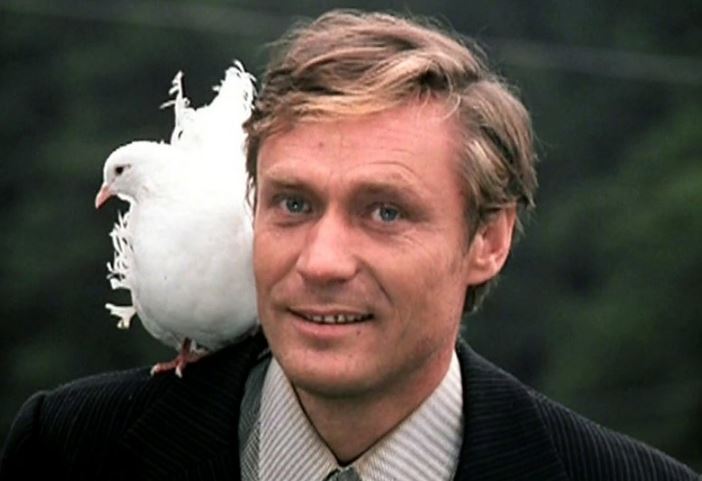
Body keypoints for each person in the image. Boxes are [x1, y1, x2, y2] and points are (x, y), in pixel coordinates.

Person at [1, 9, 698, 481]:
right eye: (293, 204)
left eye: (385, 212)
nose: (322, 261)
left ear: (488, 239)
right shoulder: (65, 452)